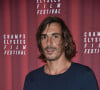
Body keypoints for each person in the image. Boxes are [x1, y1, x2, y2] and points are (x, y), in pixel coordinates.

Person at [23, 16, 99, 90]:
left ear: (65, 41)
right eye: (44, 37)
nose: (49, 43)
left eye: (55, 36)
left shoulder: (84, 76)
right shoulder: (32, 79)